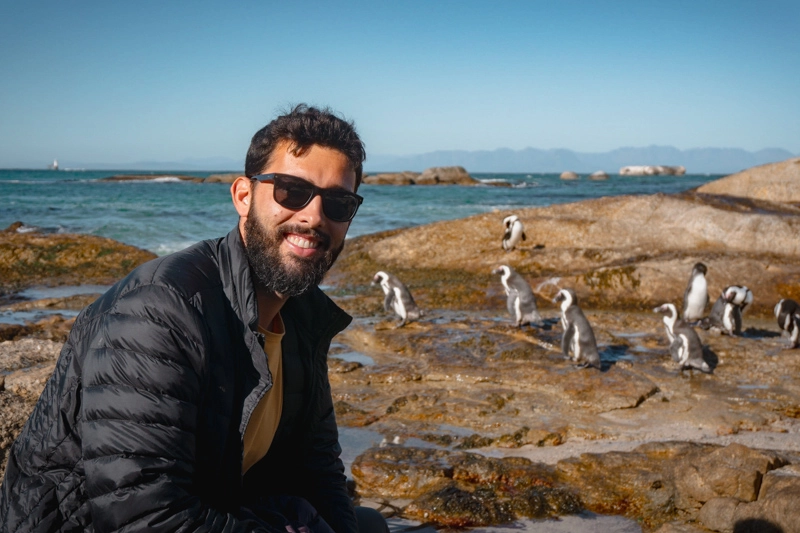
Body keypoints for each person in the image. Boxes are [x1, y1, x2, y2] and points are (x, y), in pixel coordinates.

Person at [0, 104, 388, 533]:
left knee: (365, 525)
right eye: (291, 191)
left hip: (215, 507)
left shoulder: (302, 317)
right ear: (244, 196)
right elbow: (141, 514)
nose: (314, 216)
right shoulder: (160, 311)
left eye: (337, 202)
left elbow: (318, 468)